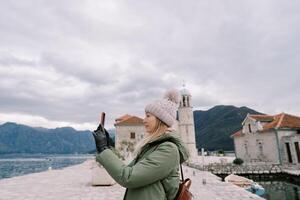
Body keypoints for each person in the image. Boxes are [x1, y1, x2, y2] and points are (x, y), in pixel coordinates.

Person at [93, 89, 189, 200]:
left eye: (148, 116)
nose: (144, 120)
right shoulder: (153, 147)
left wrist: (103, 149)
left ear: (160, 119)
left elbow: (128, 177)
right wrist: (109, 147)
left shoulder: (168, 150)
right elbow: (126, 170)